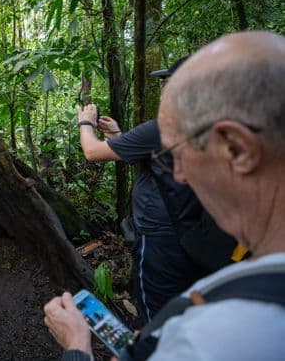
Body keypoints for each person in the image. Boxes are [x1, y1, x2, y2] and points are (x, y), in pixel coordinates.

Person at [45, 31, 285, 360]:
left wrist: (77, 348)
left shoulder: (213, 335)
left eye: (179, 152)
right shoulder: (245, 279)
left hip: (161, 238)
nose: (180, 174)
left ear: (237, 148)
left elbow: (93, 153)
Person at [76, 58, 211, 322]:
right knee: (187, 303)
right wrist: (118, 135)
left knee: (154, 309)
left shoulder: (164, 128)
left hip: (159, 237)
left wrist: (85, 123)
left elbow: (92, 153)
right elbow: (156, 161)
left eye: (167, 82)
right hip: (191, 230)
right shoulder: (207, 125)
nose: (163, 88)